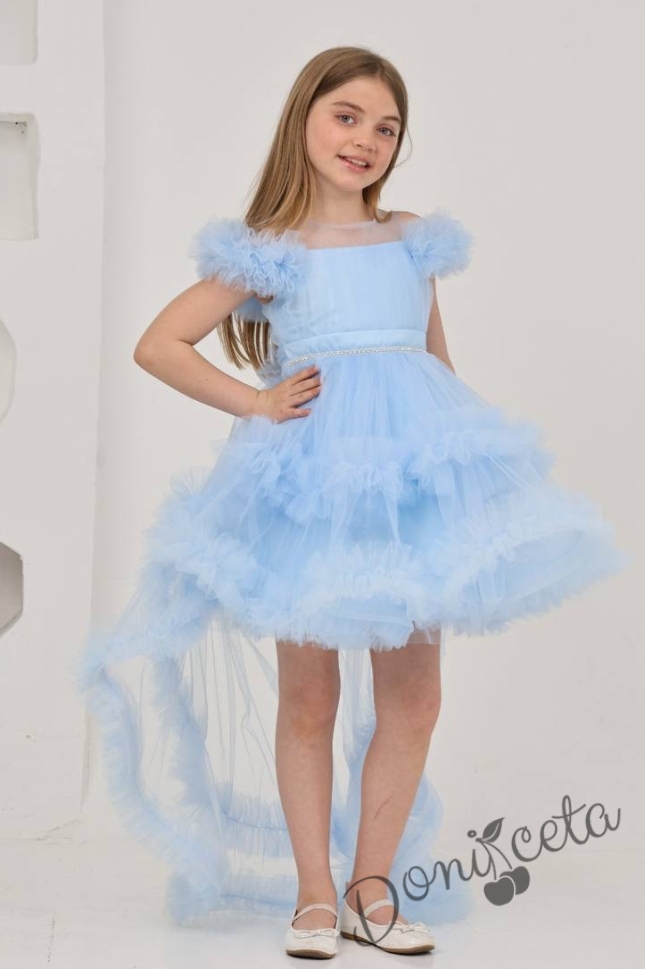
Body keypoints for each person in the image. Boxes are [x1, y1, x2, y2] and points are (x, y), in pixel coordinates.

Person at [72, 46, 629, 959]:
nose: (365, 139)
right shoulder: (272, 251)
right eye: (347, 116)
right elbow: (160, 343)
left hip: (409, 485)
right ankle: (313, 894)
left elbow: (433, 364)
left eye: (386, 127)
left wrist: (464, 482)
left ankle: (373, 886)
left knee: (415, 692)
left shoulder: (412, 240)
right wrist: (256, 402)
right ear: (303, 118)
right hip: (312, 487)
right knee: (309, 694)